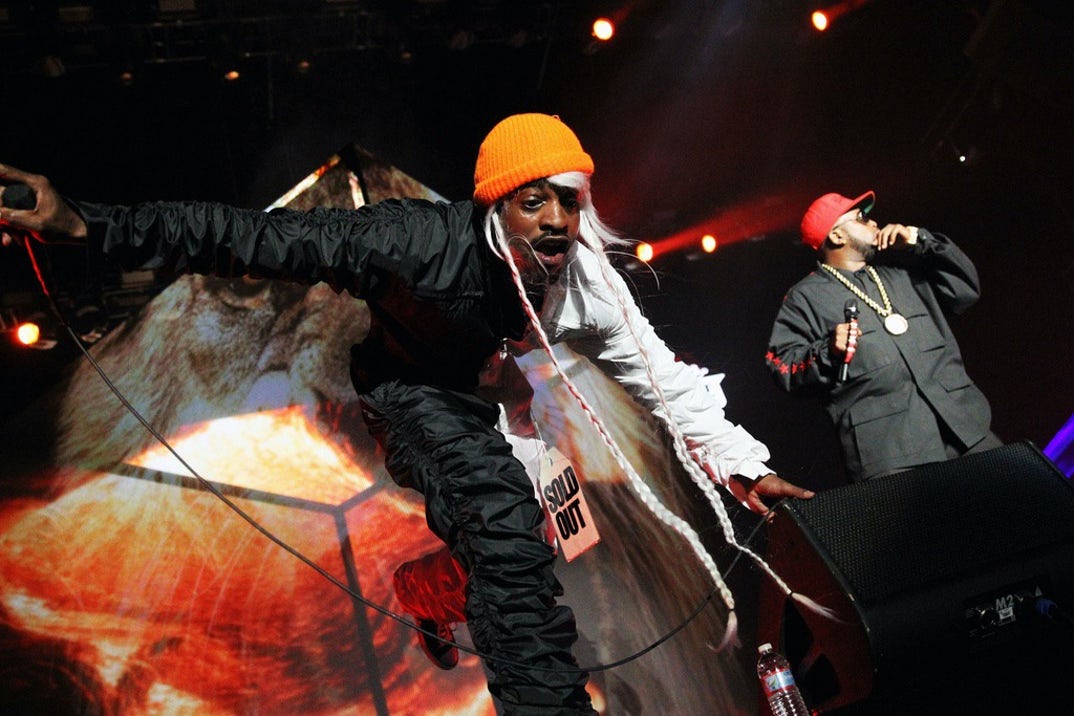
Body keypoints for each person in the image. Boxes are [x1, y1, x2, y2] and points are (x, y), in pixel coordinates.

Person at [1, 113, 813, 714]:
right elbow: (246, 237)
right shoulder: (410, 242)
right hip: (410, 395)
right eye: (537, 202)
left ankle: (428, 588)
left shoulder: (585, 283)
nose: (558, 220)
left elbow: (661, 379)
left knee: (515, 533)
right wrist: (85, 222)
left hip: (495, 400)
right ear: (500, 205)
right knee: (497, 516)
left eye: (570, 201)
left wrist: (748, 469)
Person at [765, 189, 1002, 483]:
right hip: (892, 453)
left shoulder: (901, 274)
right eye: (862, 218)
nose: (874, 223)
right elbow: (782, 365)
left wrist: (919, 240)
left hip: (966, 427)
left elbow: (964, 289)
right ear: (837, 237)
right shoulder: (804, 297)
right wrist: (827, 352)